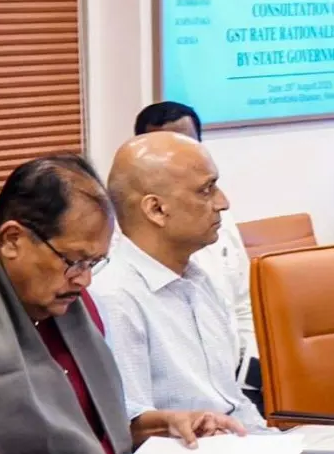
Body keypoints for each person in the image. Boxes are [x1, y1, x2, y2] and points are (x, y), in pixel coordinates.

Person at [0, 155, 242, 454]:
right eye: (74, 261)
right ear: (13, 240)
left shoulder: (71, 308)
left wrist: (162, 426)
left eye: (95, 262)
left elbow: (81, 428)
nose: (85, 280)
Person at [92, 133, 269, 431]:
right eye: (206, 190)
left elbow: (232, 402)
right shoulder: (114, 297)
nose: (223, 203)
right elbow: (130, 426)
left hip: (245, 446)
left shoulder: (198, 277)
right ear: (156, 210)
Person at [133, 101, 258, 407]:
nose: (221, 202)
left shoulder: (220, 221)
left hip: (237, 387)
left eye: (188, 145)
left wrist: (249, 381)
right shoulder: (122, 267)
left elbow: (243, 304)